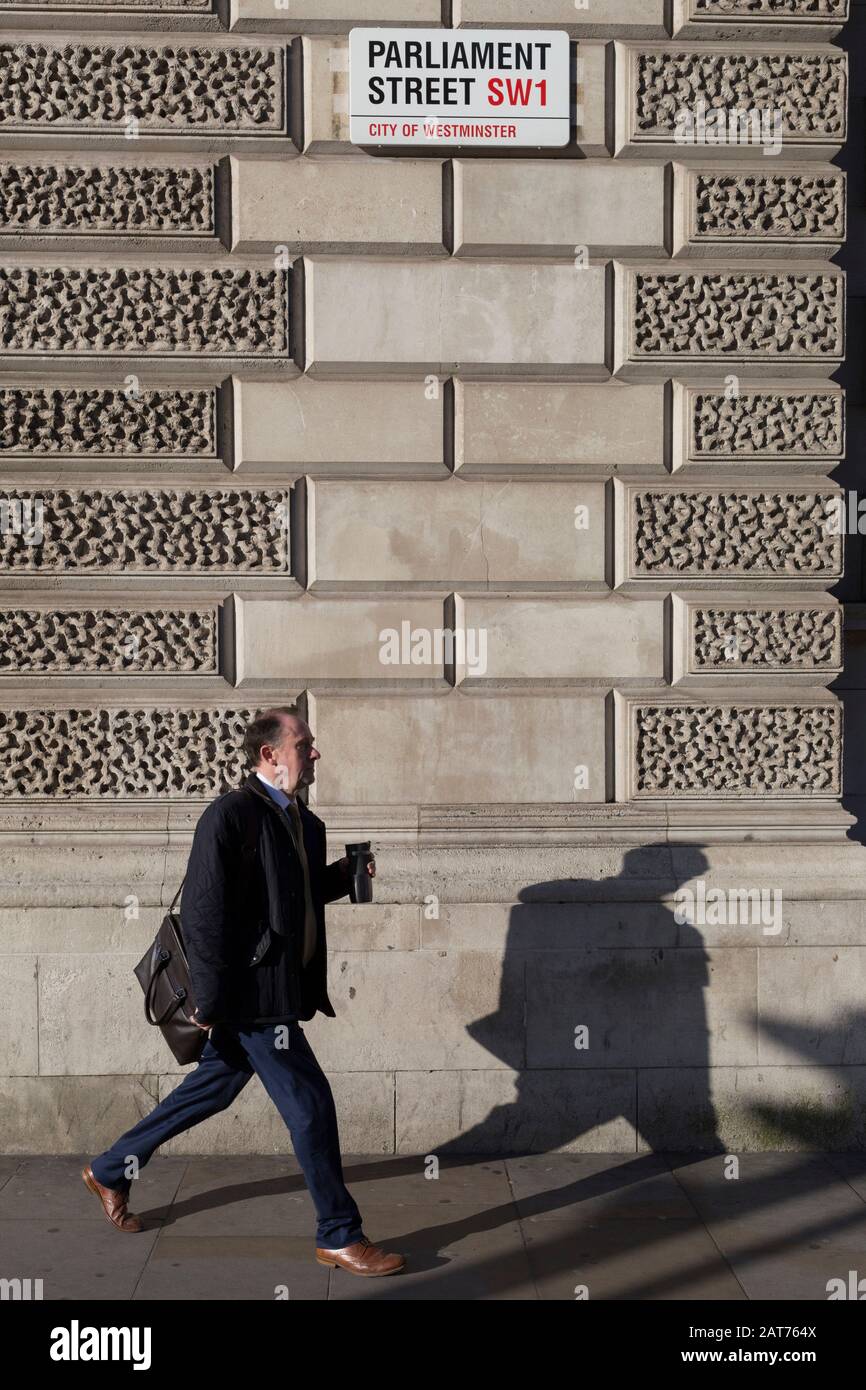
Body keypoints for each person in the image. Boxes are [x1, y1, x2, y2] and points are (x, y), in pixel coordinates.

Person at [82, 705, 405, 1277]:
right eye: (304, 744)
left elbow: (288, 899)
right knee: (311, 1105)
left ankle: (110, 1168)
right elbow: (203, 912)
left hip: (280, 986)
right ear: (269, 755)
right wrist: (208, 999)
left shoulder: (302, 821)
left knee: (212, 1089)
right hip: (252, 996)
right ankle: (339, 1233)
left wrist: (341, 877)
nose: (315, 754)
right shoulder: (230, 815)